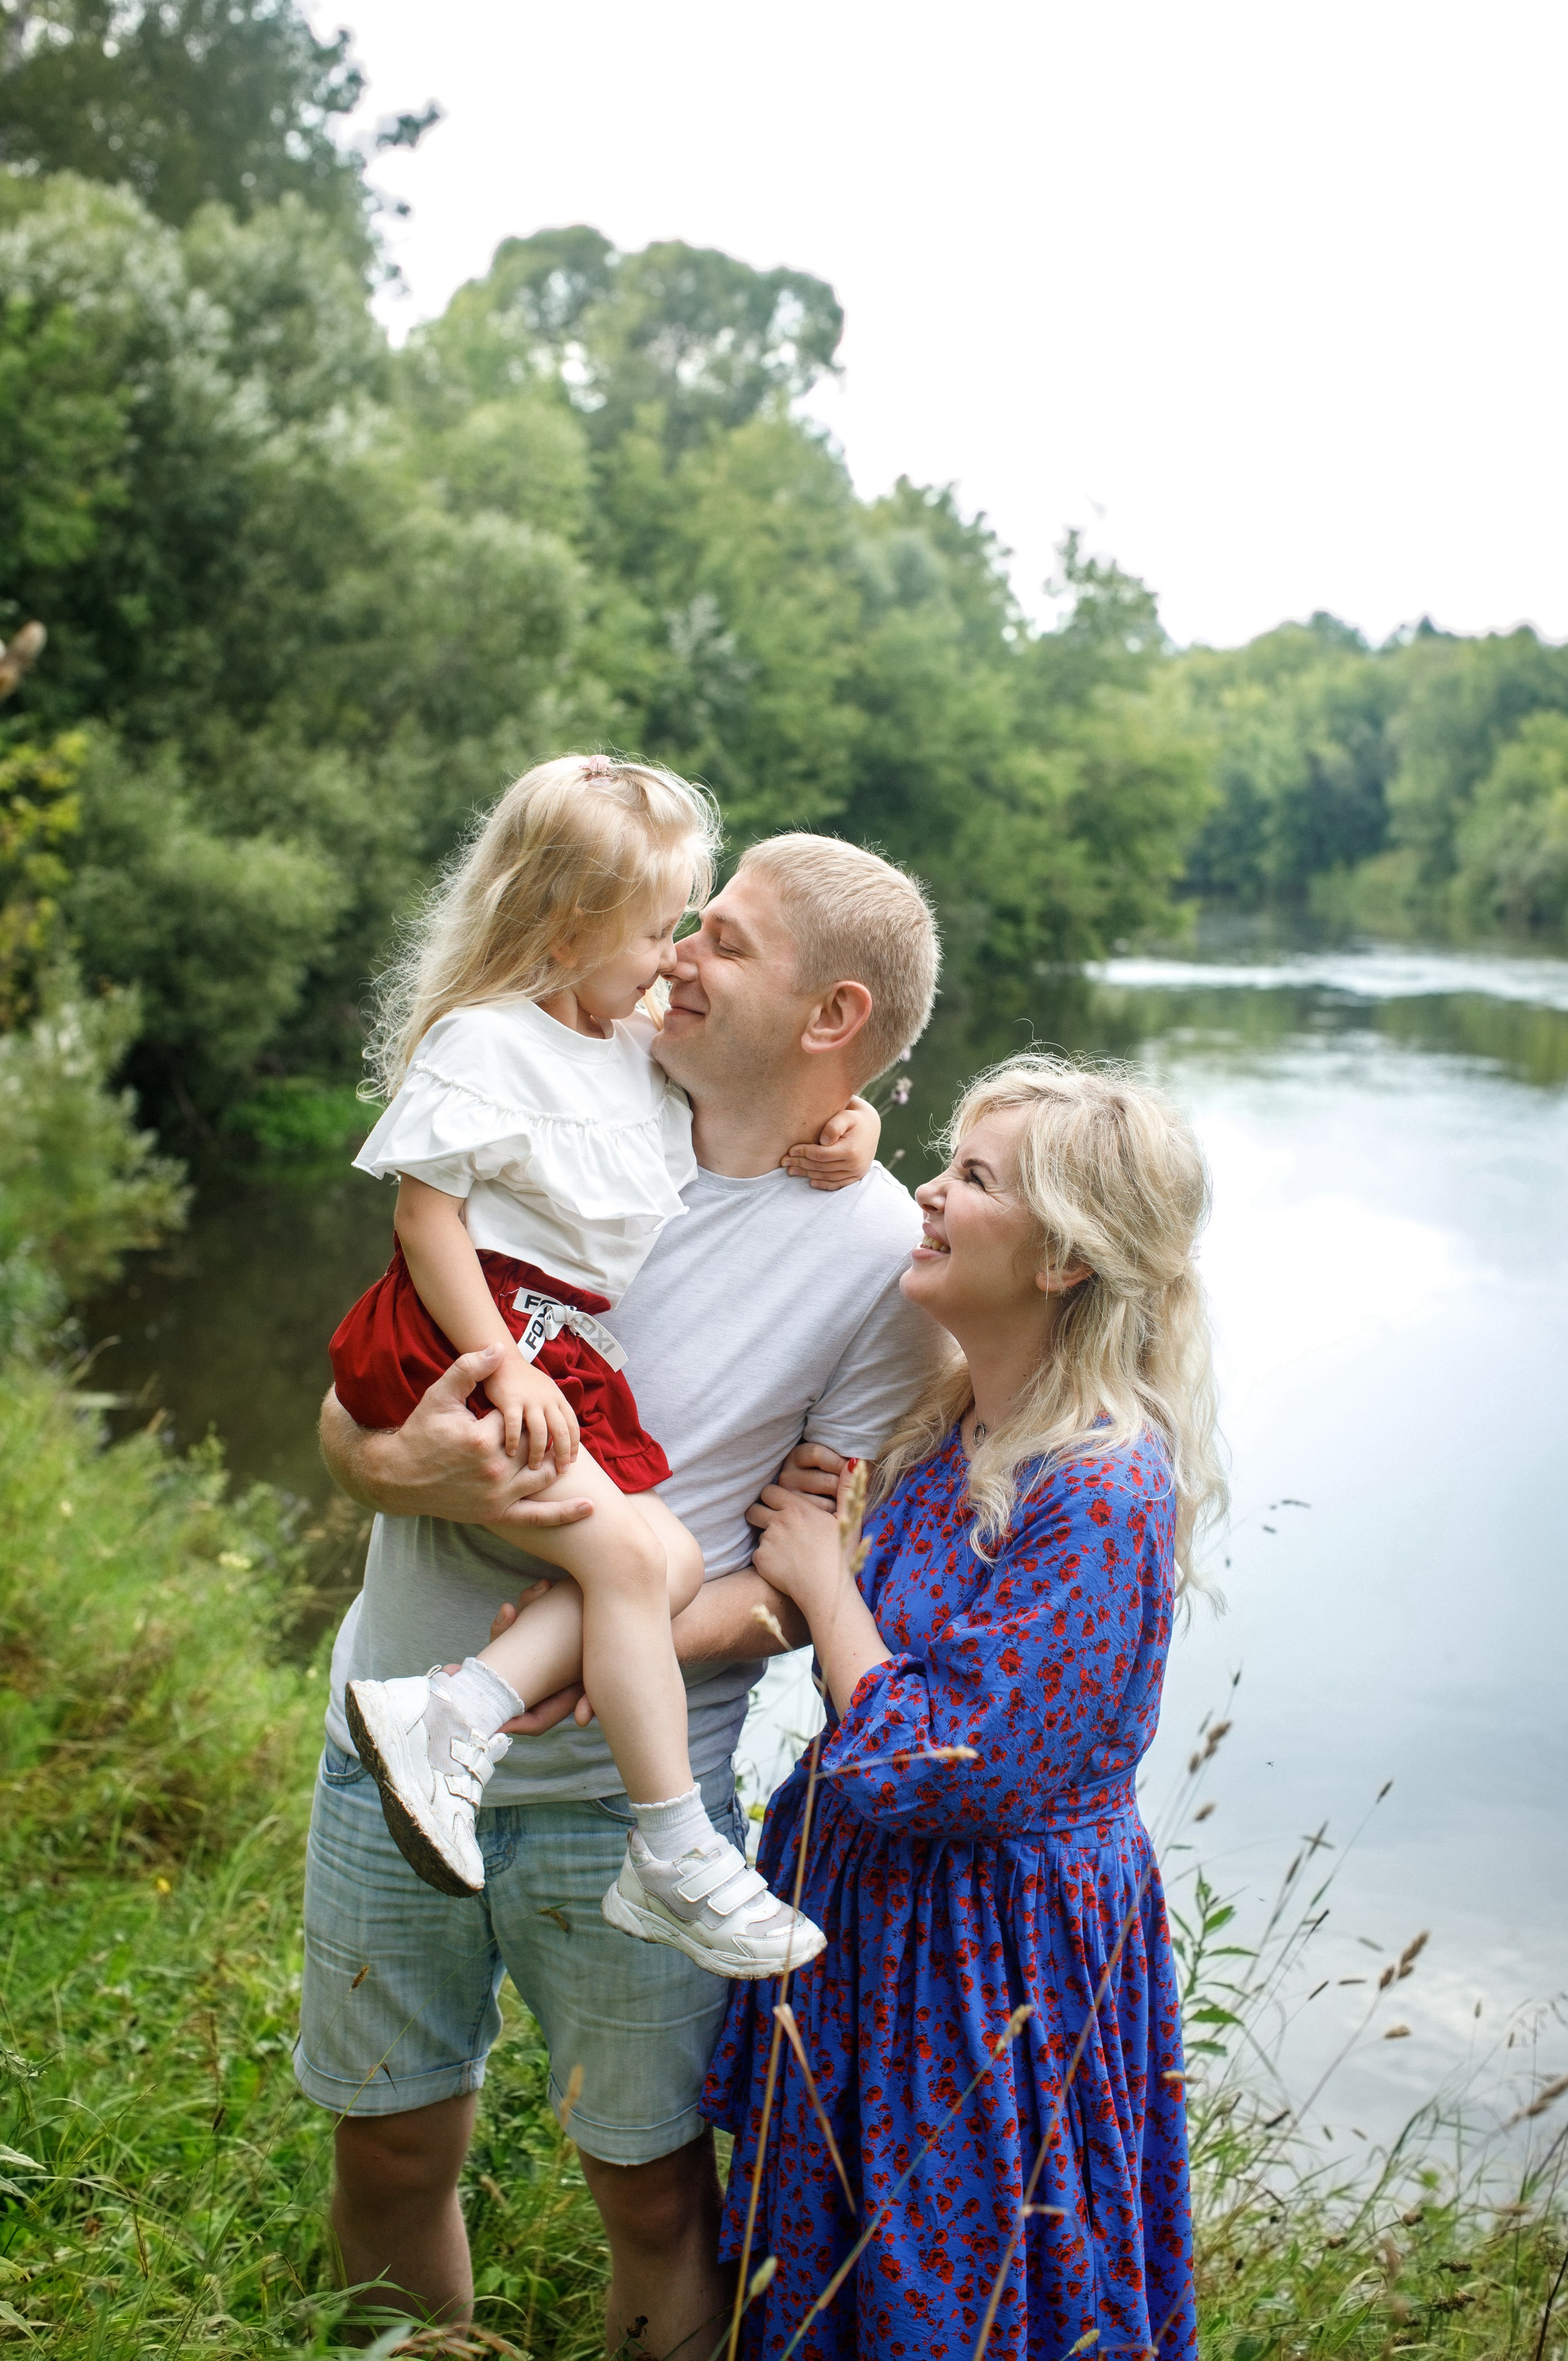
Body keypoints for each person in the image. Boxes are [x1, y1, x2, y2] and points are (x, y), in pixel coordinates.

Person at [296, 831, 951, 2351]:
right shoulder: (565, 1104)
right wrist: (419, 1475)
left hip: (631, 1791)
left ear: (829, 1022)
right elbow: (350, 1408)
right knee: (390, 2144)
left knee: (654, 2195)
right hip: (378, 1740)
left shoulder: (878, 1258)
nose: (673, 956)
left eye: (720, 940)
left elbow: (802, 1579)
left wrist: (621, 1634)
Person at [704, 1054, 1226, 2360]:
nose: (928, 1193)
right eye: (942, 1161)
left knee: (974, 2289)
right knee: (852, 2287)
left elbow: (941, 1768)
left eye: (971, 1179)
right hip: (888, 1935)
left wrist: (827, 1585)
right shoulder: (951, 1434)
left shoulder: (1097, 1488)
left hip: (993, 1965)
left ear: (1061, 1260)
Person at [330, 754, 871, 1977]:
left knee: (668, 1554)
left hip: (552, 1341)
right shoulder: (485, 1042)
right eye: (658, 927)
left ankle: (453, 1712)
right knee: (634, 1550)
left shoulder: (620, 1045)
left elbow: (762, 1077)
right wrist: (497, 1365)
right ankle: (673, 1846)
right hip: (477, 1331)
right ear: (573, 930)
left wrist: (850, 1116)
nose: (673, 956)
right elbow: (426, 1222)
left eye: (692, 930)